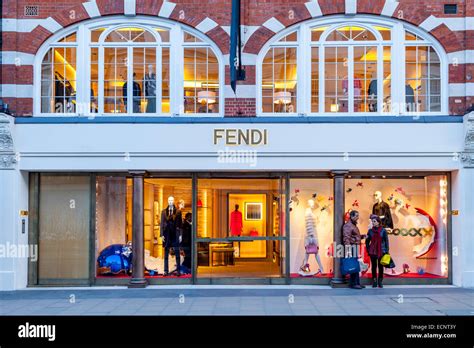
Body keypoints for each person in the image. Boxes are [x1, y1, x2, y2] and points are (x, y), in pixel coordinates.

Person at [342, 210, 366, 289]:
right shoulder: (348, 225)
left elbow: (354, 236)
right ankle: (354, 283)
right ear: (351, 216)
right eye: (356, 216)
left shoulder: (353, 225)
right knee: (353, 265)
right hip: (352, 247)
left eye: (358, 216)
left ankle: (357, 283)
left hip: (355, 247)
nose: (358, 217)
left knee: (355, 265)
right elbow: (346, 238)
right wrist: (348, 249)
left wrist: (362, 236)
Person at [366, 214, 389, 288]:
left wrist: (387, 250)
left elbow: (386, 241)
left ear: (378, 222)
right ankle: (374, 281)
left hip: (381, 251)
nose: (373, 223)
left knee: (381, 266)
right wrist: (368, 249)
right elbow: (367, 241)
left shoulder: (383, 231)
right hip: (373, 252)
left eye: (374, 221)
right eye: (372, 221)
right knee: (373, 267)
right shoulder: (370, 231)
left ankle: (380, 281)